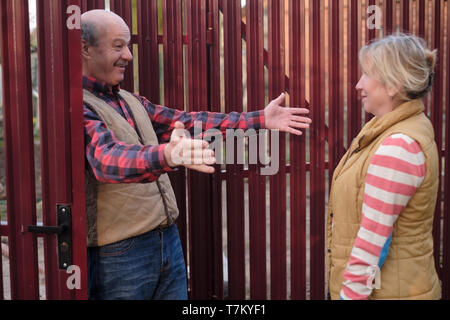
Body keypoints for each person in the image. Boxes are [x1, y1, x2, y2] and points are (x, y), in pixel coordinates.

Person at [81, 9, 311, 300]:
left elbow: (190, 121)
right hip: (119, 255)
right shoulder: (78, 105)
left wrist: (260, 119)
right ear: (85, 49)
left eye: (127, 45)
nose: (128, 55)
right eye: (118, 46)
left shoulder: (129, 100)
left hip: (166, 240)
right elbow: (107, 159)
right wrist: (168, 155)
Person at [326, 33, 441, 300]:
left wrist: (349, 296)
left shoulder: (398, 145)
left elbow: (374, 240)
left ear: (393, 84)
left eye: (366, 74)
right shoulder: (392, 128)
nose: (358, 84)